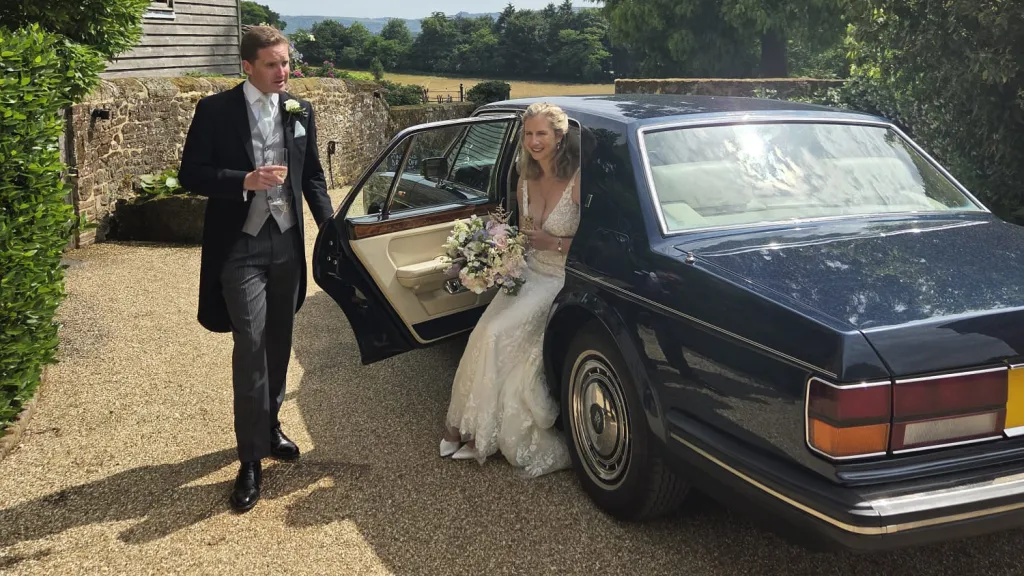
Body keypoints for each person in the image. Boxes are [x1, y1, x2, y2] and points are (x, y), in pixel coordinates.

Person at [177, 25, 334, 512]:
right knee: (250, 342)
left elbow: (312, 177)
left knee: (279, 340)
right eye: (272, 64)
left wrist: (331, 228)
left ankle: (269, 426)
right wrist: (244, 179)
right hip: (239, 246)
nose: (283, 72)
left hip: (286, 243)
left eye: (286, 62)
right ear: (247, 66)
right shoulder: (215, 110)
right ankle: (249, 460)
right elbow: (191, 173)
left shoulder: (300, 109)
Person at [439, 102, 581, 478]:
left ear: (559, 136)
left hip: (560, 279)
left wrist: (556, 244)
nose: (534, 141)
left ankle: (483, 435)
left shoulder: (579, 180)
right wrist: (490, 256)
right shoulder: (524, 177)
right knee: (482, 332)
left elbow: (598, 242)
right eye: (529, 134)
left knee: (498, 334)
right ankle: (466, 427)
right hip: (528, 271)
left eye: (542, 134)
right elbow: (522, 234)